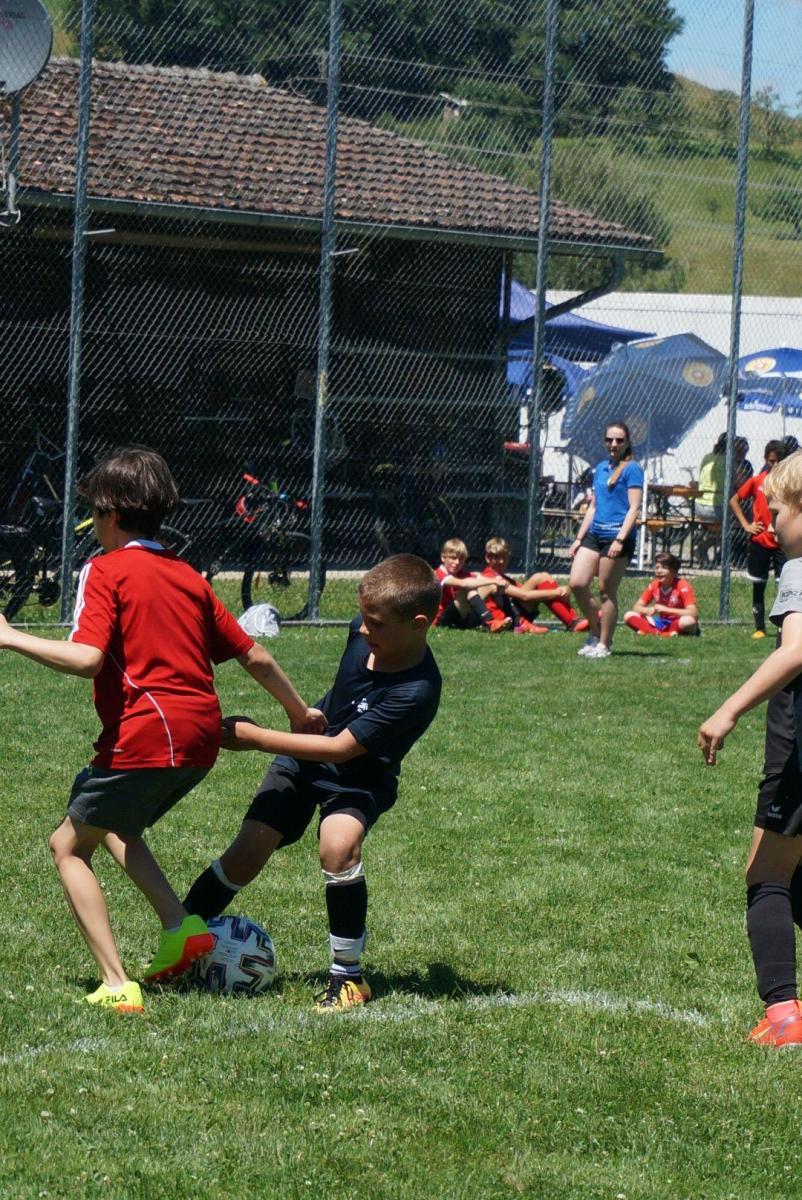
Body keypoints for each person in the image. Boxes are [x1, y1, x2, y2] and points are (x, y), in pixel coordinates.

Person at [0, 447, 322, 1013]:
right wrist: (299, 712)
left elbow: (87, 659)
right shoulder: (187, 575)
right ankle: (181, 927)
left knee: (68, 846)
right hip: (201, 739)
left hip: (149, 732)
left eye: (93, 513)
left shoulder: (105, 569)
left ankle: (115, 983)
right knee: (116, 824)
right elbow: (254, 656)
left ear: (110, 514)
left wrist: (9, 636)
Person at [183, 554, 442, 1011]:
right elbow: (345, 699)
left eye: (377, 624)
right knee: (246, 854)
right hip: (305, 755)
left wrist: (256, 738)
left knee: (338, 846)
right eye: (363, 617)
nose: (363, 630)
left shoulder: (417, 690)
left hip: (358, 779)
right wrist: (305, 713)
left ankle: (348, 978)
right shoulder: (362, 631)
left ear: (419, 624)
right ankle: (180, 941)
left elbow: (342, 749)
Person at [699, 450, 802, 1047]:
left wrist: (729, 709)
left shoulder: (799, 568)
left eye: (778, 511)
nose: (769, 523)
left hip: (796, 747)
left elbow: (796, 651)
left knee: (766, 873)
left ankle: (784, 1015)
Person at [568, 420, 644, 659]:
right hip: (595, 534)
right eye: (610, 439)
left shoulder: (633, 469)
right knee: (577, 583)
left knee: (605, 590)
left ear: (627, 442)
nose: (614, 444)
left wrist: (619, 540)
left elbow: (634, 508)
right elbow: (593, 507)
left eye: (619, 440)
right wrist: (579, 538)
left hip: (617, 536)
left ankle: (604, 643)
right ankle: (596, 629)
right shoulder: (601, 468)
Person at [730, 439, 788, 639]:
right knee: (759, 584)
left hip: (781, 543)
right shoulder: (757, 481)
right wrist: (747, 525)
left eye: (779, 461)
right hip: (760, 541)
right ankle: (760, 628)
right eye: (771, 461)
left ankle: (783, 626)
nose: (775, 465)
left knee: (785, 585)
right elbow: (735, 500)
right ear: (765, 459)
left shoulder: (789, 484)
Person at [480, 536, 588, 634]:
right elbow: (524, 596)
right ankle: (572, 622)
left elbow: (523, 591)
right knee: (540, 578)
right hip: (506, 618)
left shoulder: (505, 578)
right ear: (488, 558)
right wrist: (557, 592)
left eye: (505, 557)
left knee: (544, 578)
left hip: (513, 613)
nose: (501, 561)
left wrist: (561, 591)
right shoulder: (489, 577)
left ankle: (573, 620)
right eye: (497, 557)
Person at [433, 537, 510, 632]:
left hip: (459, 618)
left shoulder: (462, 574)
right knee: (469, 588)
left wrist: (499, 582)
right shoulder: (438, 574)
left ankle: (512, 622)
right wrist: (494, 581)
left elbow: (481, 578)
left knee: (489, 586)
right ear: (443, 557)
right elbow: (464, 583)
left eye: (461, 559)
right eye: (453, 558)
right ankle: (490, 622)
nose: (457, 562)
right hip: (442, 620)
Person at [623, 551, 699, 637]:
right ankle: (663, 634)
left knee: (688, 621)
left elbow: (693, 613)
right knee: (628, 615)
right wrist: (647, 610)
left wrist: (666, 610)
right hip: (660, 622)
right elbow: (636, 607)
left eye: (664, 568)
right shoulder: (654, 585)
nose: (659, 571)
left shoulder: (682, 585)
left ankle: (650, 632)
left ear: (674, 572)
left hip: (677, 621)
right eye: (657, 567)